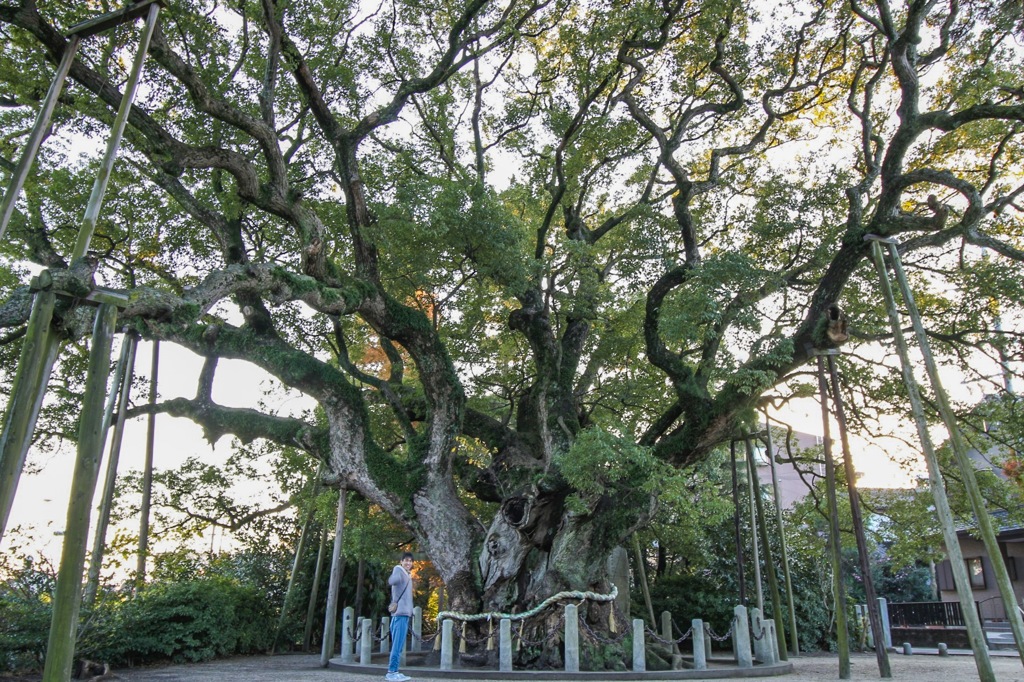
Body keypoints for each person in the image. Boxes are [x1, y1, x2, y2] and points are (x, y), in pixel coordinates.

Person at [385, 551, 415, 682]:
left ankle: (394, 670)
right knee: (397, 644)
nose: (408, 563)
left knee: (398, 644)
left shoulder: (407, 575)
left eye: (410, 561)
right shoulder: (399, 570)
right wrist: (395, 578)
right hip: (400, 614)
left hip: (402, 613)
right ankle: (392, 672)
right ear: (401, 561)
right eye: (406, 560)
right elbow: (392, 580)